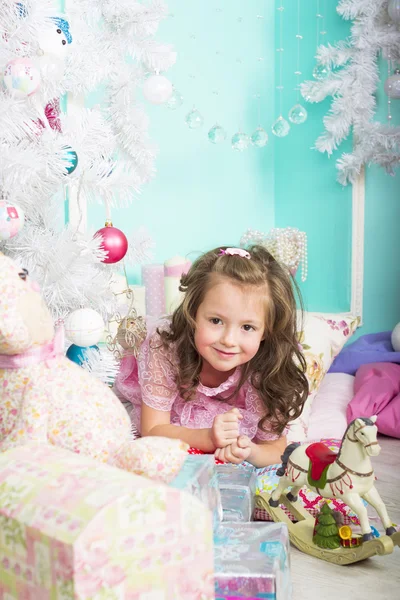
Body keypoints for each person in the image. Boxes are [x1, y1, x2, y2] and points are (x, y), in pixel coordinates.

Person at [115, 245, 308, 468]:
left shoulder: (266, 367)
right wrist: (208, 438)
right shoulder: (165, 347)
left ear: (266, 330)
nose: (228, 339)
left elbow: (276, 449)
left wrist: (250, 451)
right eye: (216, 321)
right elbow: (152, 430)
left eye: (247, 327)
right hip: (171, 421)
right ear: (193, 312)